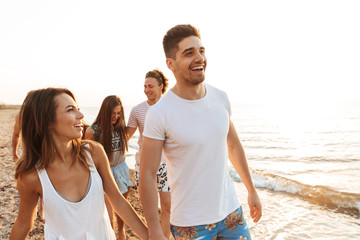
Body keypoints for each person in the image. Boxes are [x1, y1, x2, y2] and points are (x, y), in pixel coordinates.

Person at [139, 24, 262, 240]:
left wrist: (251, 189)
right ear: (171, 64)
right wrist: (155, 229)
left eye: (201, 51)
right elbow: (148, 174)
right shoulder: (160, 113)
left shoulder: (220, 98)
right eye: (189, 53)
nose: (199, 58)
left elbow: (233, 145)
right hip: (190, 224)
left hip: (231, 214)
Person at [10, 88, 148, 240]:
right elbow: (23, 224)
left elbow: (118, 201)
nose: (81, 116)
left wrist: (151, 236)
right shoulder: (31, 176)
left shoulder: (94, 153)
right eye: (70, 110)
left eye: (78, 109)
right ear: (47, 121)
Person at [126, 69, 171, 238]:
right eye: (145, 86)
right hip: (143, 165)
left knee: (167, 206)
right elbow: (125, 137)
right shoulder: (137, 110)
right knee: (149, 209)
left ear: (161, 86)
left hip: (167, 164)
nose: (147, 90)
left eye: (150, 86)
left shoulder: (171, 107)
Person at [85, 95, 132, 240]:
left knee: (122, 209)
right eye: (112, 113)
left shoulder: (120, 128)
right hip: (105, 174)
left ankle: (121, 233)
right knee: (108, 215)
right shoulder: (94, 131)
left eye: (118, 113)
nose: (116, 117)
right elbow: (85, 156)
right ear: (105, 112)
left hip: (122, 170)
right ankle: (111, 235)